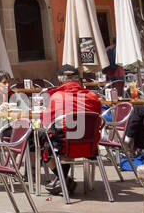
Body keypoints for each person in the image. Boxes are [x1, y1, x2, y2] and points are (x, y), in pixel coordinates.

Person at [39, 65, 103, 195]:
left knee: (42, 140)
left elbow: (46, 123)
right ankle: (63, 179)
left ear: (60, 80)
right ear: (78, 80)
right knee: (62, 135)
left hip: (65, 147)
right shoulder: (93, 96)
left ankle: (64, 179)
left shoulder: (57, 97)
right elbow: (98, 119)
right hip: (90, 147)